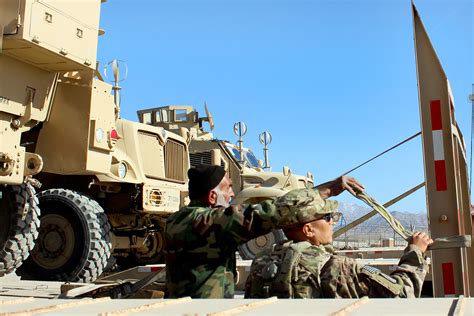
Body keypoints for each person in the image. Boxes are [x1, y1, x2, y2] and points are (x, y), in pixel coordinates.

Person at [164, 164, 364, 298]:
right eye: (227, 188)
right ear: (212, 197)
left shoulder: (179, 219)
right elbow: (265, 214)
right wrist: (327, 190)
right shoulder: (204, 222)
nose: (233, 194)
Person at [245, 189, 433, 298]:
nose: (333, 221)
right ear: (308, 230)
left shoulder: (260, 263)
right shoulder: (336, 266)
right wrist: (415, 251)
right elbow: (401, 293)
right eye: (327, 217)